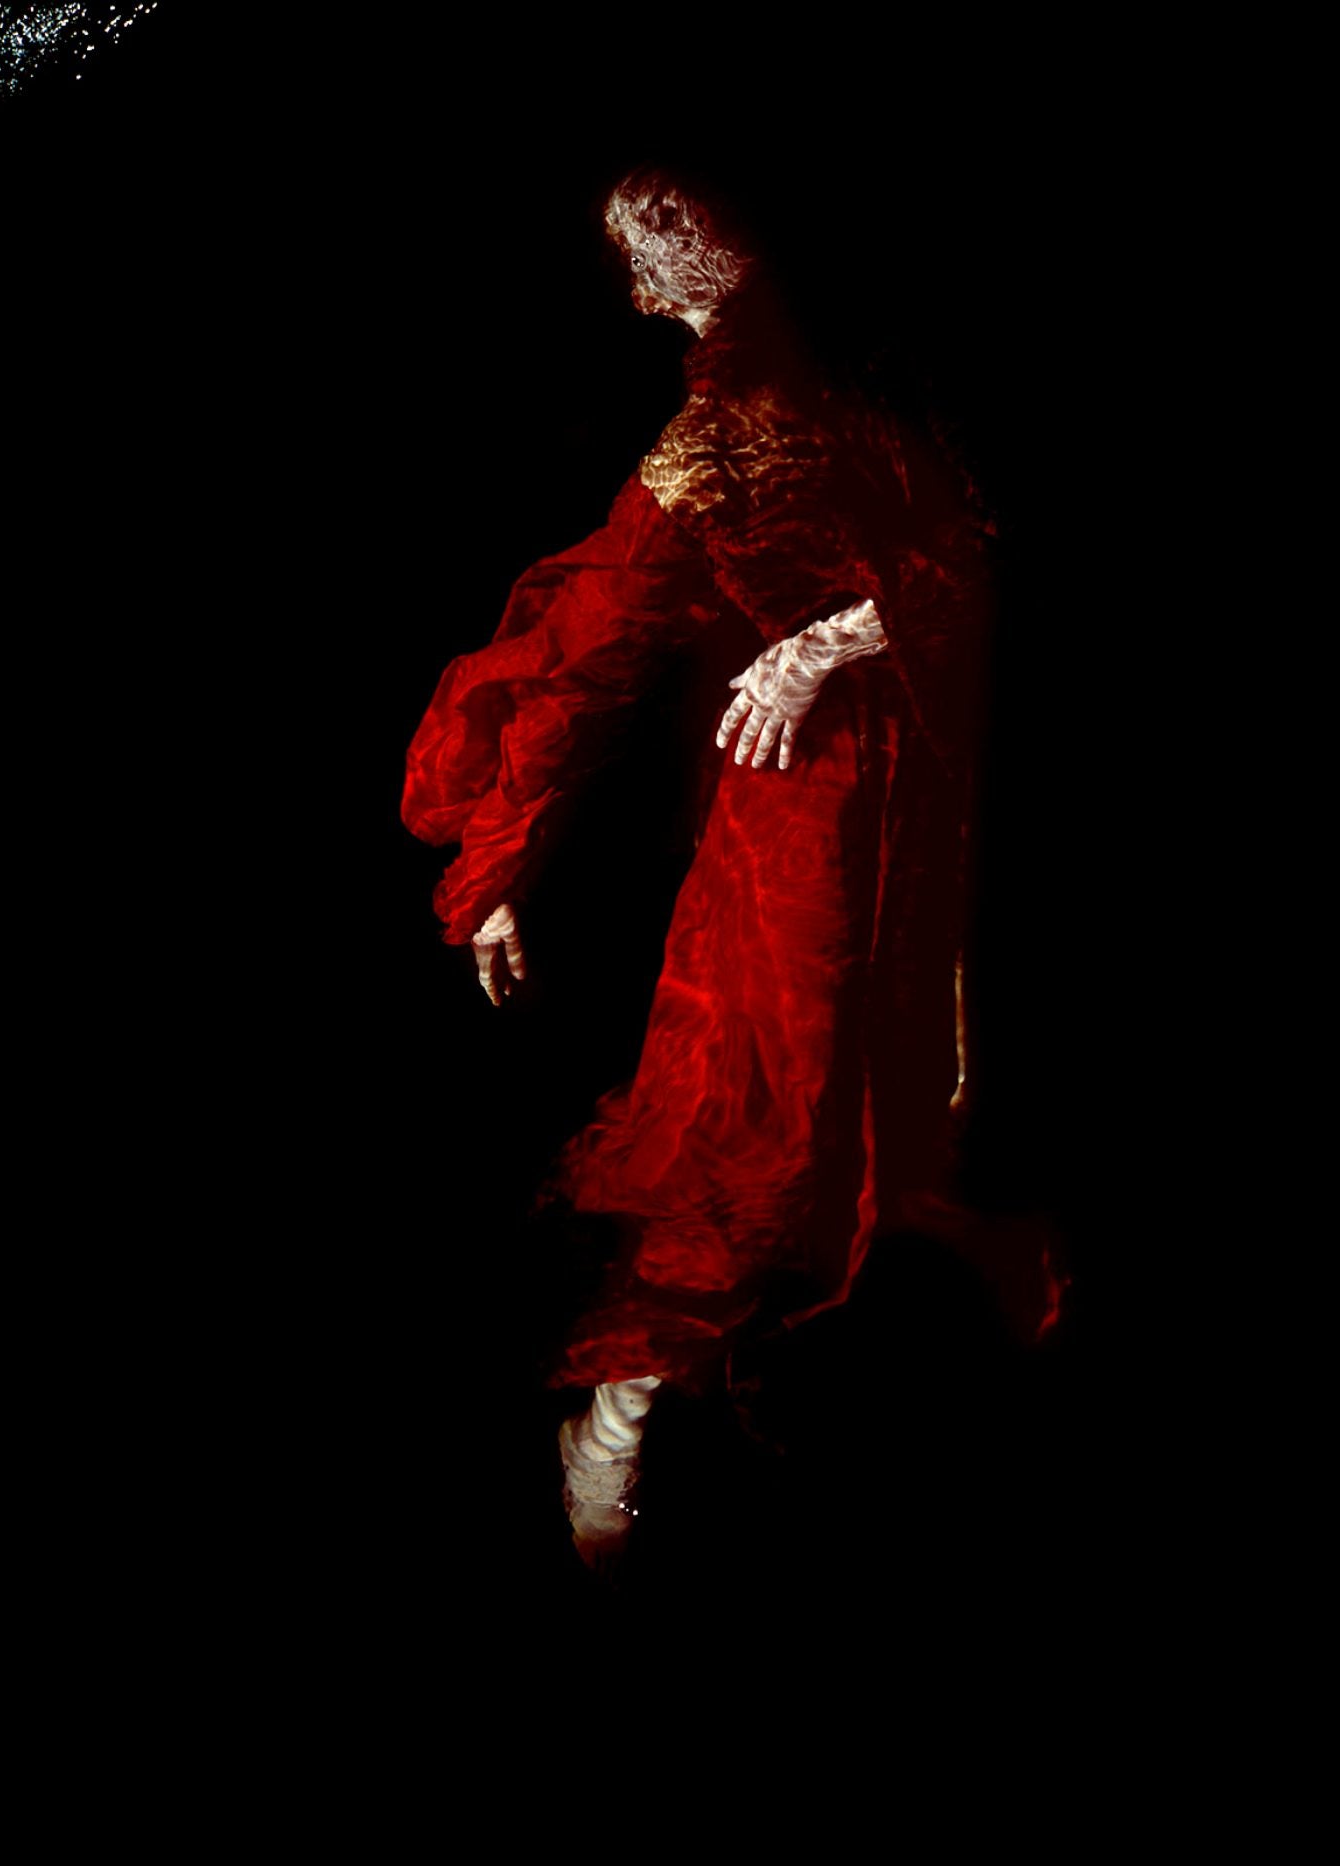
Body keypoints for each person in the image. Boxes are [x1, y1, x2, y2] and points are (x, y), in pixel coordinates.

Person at [401, 167, 1061, 1568]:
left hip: (937, 786)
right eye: (634, 252)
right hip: (802, 814)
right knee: (764, 1121)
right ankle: (618, 1422)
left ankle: (857, 1412)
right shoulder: (704, 443)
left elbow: (975, 553)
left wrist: (823, 644)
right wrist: (496, 862)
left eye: (662, 236)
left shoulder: (881, 367)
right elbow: (587, 654)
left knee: (923, 1097)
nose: (645, 277)